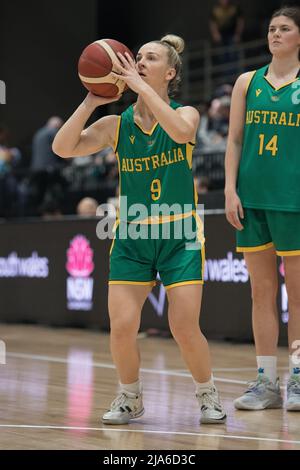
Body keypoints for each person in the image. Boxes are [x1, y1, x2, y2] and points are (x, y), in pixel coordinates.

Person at [53, 34, 226, 425]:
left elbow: (182, 134)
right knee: (122, 328)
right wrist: (91, 101)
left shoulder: (187, 115)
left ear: (169, 72)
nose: (138, 62)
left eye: (149, 59)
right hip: (132, 237)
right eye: (136, 57)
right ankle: (130, 396)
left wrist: (142, 89)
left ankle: (207, 393)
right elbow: (63, 148)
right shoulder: (117, 125)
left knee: (183, 327)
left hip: (179, 235)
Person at [225, 6, 300, 411]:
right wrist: (229, 190)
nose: (275, 34)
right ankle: (266, 382)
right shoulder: (246, 82)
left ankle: (299, 378)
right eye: (272, 28)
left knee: (299, 295)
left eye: (285, 28)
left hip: (293, 200)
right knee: (261, 292)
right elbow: (234, 140)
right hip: (251, 199)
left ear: (299, 37)